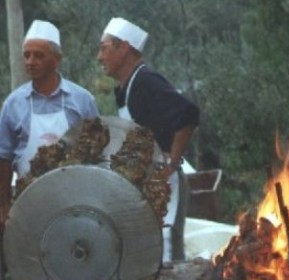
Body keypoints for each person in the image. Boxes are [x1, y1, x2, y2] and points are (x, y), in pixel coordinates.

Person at [97, 17, 199, 265]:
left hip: (166, 187)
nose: (99, 57)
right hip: (147, 187)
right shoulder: (126, 86)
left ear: (125, 48)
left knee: (168, 260)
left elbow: (188, 113)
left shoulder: (145, 81)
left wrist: (172, 163)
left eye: (104, 48)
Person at [0, 20, 99, 232]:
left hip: (75, 200)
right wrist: (4, 204)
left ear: (56, 59)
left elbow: (99, 152)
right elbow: (4, 158)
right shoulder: (13, 104)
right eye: (26, 55)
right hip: (27, 200)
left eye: (38, 55)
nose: (30, 61)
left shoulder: (82, 100)